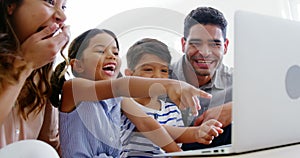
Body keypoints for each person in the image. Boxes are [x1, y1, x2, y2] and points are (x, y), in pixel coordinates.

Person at [50, 28, 217, 157]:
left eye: (115, 52)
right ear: (77, 65)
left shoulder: (119, 99)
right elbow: (121, 85)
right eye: (101, 51)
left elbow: (149, 125)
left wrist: (180, 152)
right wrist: (169, 84)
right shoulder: (74, 88)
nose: (112, 56)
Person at [121, 38, 224, 157]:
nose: (157, 76)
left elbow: (177, 138)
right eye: (148, 69)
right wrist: (195, 133)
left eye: (164, 70)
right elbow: (151, 128)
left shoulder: (172, 111)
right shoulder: (125, 105)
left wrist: (201, 131)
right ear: (129, 74)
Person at [0, 0, 70, 154]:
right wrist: (25, 64)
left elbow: (49, 144)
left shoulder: (42, 76)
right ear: (10, 4)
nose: (62, 16)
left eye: (63, 6)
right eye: (50, 2)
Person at [170, 6, 233, 150]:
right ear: (183, 44)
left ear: (225, 46)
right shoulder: (160, 77)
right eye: (196, 43)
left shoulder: (237, 81)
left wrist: (235, 108)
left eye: (215, 44)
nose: (205, 52)